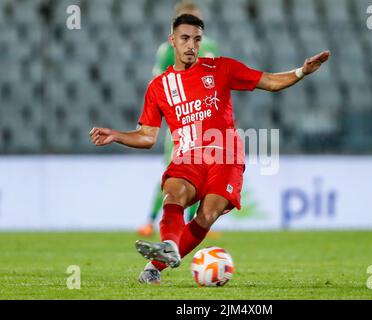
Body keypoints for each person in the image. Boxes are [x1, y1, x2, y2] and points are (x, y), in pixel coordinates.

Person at [89, 14, 330, 284]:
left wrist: (301, 72)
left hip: (225, 155)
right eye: (185, 39)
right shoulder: (159, 87)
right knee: (174, 193)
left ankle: (154, 267)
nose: (191, 45)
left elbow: (271, 82)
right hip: (188, 156)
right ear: (172, 42)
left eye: (197, 39)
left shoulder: (221, 68)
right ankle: (169, 245)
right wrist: (116, 135)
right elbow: (147, 137)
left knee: (207, 214)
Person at [137, 1, 219, 237]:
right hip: (181, 123)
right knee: (173, 171)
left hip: (204, 123)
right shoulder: (166, 50)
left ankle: (194, 223)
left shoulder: (210, 46)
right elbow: (159, 84)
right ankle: (150, 221)